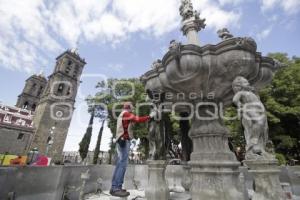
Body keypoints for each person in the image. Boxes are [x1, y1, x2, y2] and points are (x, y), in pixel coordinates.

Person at [110, 102, 153, 197]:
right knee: (122, 164)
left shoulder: (122, 115)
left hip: (121, 141)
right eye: (132, 109)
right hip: (123, 141)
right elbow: (137, 119)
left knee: (120, 164)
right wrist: (149, 117)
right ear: (128, 108)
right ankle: (116, 188)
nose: (132, 110)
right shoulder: (126, 113)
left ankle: (116, 187)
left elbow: (130, 124)